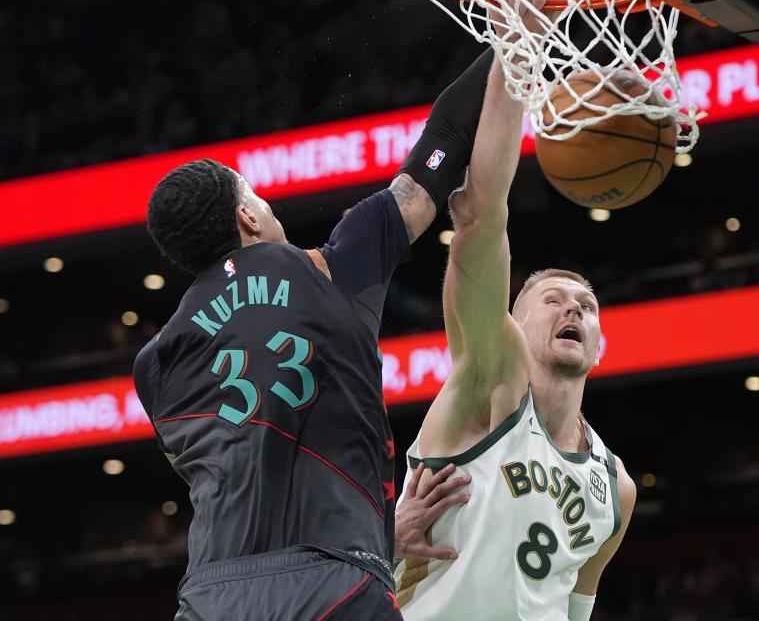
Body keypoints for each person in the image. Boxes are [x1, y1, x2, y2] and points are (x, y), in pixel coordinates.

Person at [132, 45, 498, 620]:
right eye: (258, 196)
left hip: (209, 597)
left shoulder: (154, 366)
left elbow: (249, 471)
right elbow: (446, 135)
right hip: (335, 585)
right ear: (247, 218)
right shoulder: (333, 269)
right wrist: (517, 34)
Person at [393, 0, 636, 619]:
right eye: (553, 300)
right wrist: (518, 47)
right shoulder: (488, 383)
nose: (574, 311)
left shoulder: (617, 489)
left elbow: (577, 607)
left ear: (601, 345)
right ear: (511, 324)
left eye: (585, 306)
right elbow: (481, 213)